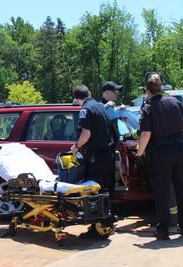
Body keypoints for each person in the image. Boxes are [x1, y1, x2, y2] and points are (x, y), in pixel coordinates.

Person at [136, 72, 183, 240]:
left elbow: (146, 134)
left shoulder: (148, 107)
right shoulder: (174, 102)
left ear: (147, 91)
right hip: (182, 150)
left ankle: (163, 230)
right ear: (161, 88)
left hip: (162, 153)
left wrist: (139, 154)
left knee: (162, 191)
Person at [70, 84, 116, 238]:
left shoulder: (86, 109)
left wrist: (76, 146)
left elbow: (86, 134)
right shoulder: (100, 106)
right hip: (107, 154)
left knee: (94, 192)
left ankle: (97, 229)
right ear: (89, 93)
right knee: (105, 191)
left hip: (96, 156)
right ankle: (107, 224)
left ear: (77, 99)